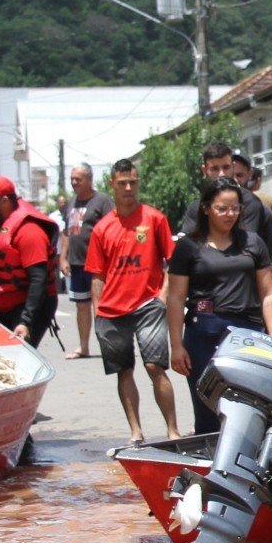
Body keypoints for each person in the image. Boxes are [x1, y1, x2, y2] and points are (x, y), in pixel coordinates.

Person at [165, 179, 272, 435]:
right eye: (222, 209)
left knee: (251, 407)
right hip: (203, 334)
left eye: (235, 208)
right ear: (206, 208)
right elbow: (175, 298)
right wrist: (176, 345)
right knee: (208, 410)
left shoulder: (253, 243)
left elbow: (268, 293)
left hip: (248, 335)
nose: (230, 215)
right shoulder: (188, 247)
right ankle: (210, 464)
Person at [86, 158, 180, 443]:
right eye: (122, 183)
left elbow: (172, 261)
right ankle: (136, 431)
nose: (128, 188)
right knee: (124, 370)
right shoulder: (102, 228)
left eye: (133, 182)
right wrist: (97, 313)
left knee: (155, 366)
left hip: (148, 304)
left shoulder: (154, 218)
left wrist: (162, 295)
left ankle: (172, 429)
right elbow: (97, 276)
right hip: (112, 310)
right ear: (112, 186)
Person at [0, 175, 60, 345]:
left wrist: (25, 321)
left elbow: (38, 280)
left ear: (5, 201)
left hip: (30, 304)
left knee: (18, 360)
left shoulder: (29, 231)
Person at [62, 164, 111, 360]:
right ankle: (84, 347)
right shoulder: (72, 202)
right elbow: (66, 232)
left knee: (100, 305)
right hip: (76, 262)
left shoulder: (102, 201)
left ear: (89, 180)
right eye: (72, 179)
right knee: (81, 305)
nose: (74, 183)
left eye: (78, 179)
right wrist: (63, 258)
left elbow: (113, 228)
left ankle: (109, 347)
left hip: (98, 264)